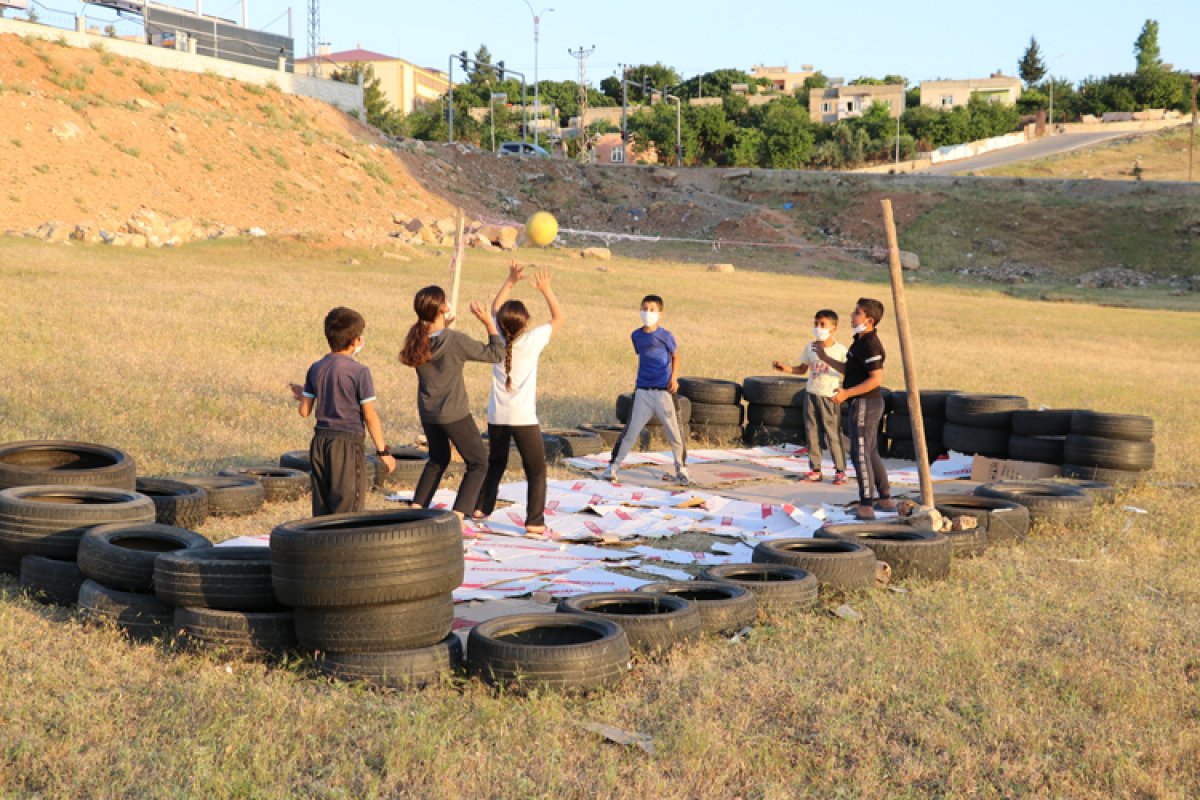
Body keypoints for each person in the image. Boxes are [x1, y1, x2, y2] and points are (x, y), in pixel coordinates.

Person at [473, 262, 566, 534]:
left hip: (496, 416)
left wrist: (511, 279)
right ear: (525, 323)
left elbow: (493, 310)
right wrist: (546, 290)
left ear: (500, 324)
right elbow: (559, 318)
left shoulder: (496, 338)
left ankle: (481, 508)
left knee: (496, 464)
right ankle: (534, 521)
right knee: (536, 470)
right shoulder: (532, 340)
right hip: (523, 418)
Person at [399, 286, 505, 520]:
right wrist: (489, 323)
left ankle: (416, 509)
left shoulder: (417, 339)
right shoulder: (455, 340)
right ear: (442, 309)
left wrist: (443, 326)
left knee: (438, 459)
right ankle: (457, 516)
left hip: (428, 413)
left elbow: (436, 343)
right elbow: (496, 354)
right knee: (478, 463)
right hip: (454, 414)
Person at [290, 307, 396, 516]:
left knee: (323, 507)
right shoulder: (360, 372)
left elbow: (304, 411)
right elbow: (369, 415)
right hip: (347, 443)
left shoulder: (316, 368)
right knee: (348, 510)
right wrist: (383, 452)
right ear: (356, 340)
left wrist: (304, 395)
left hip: (320, 442)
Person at [603, 294, 689, 486]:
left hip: (664, 391)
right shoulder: (636, 335)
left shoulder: (666, 336)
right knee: (631, 431)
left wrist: (673, 378)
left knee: (674, 432)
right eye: (644, 309)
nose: (647, 313)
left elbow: (675, 356)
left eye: (651, 310)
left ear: (660, 313)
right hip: (643, 391)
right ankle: (613, 467)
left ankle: (682, 469)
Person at [832, 298, 895, 520]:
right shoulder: (859, 342)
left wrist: (847, 394)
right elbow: (850, 371)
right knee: (870, 451)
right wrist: (823, 357)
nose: (852, 316)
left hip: (866, 404)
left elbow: (876, 379)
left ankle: (866, 504)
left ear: (869, 320)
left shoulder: (870, 344)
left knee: (860, 453)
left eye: (857, 313)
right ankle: (885, 498)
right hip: (864, 403)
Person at [772, 309, 848, 485]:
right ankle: (815, 469)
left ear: (833, 328)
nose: (818, 328)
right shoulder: (810, 347)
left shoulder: (840, 350)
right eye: (816, 324)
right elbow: (802, 369)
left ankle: (840, 471)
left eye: (823, 325)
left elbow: (847, 370)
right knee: (812, 433)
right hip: (811, 394)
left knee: (832, 434)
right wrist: (785, 368)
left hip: (829, 396)